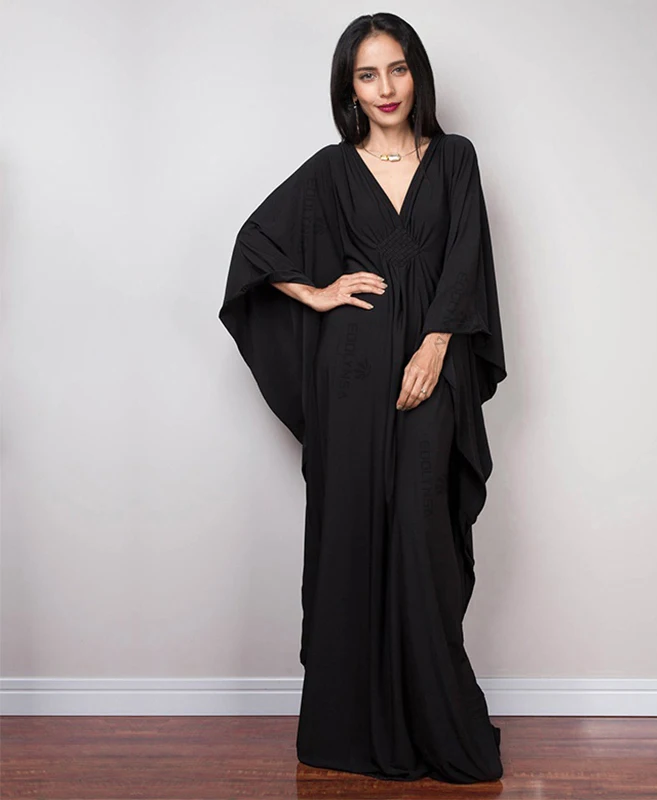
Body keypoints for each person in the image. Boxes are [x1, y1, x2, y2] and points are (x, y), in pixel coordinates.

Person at [219, 12, 507, 785]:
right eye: (367, 74)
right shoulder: (330, 170)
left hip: (428, 371)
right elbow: (254, 246)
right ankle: (346, 731)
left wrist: (436, 345)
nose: (386, 87)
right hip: (348, 377)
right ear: (349, 87)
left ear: (418, 74)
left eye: (398, 68)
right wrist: (316, 293)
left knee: (422, 533)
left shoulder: (455, 159)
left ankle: (436, 726)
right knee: (351, 532)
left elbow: (465, 257)